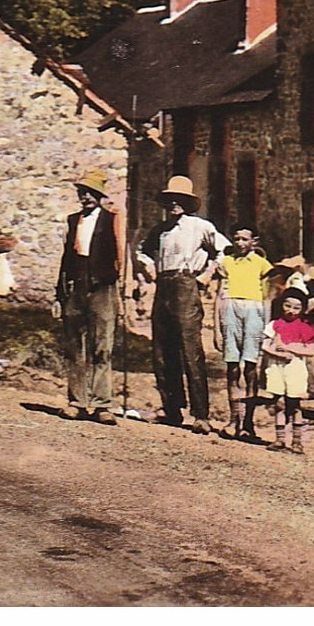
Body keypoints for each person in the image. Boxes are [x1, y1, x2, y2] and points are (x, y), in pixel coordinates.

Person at [133, 175, 228, 434]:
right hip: (164, 286)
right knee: (163, 351)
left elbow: (224, 250)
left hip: (187, 285)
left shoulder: (200, 227)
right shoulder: (160, 229)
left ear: (188, 202)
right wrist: (150, 266)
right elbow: (141, 250)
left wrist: (207, 275)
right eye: (170, 200)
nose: (174, 204)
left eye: (180, 200)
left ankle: (201, 414)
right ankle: (171, 409)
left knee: (190, 350)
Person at [53, 170, 127, 425]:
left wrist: (121, 295)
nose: (84, 197)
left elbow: (120, 254)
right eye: (81, 193)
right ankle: (77, 401)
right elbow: (66, 259)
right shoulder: (74, 220)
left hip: (103, 286)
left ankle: (102, 404)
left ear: (98, 195)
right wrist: (59, 294)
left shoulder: (111, 219)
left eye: (89, 193)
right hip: (77, 285)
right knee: (75, 346)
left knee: (102, 346)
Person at [211, 222, 270, 441]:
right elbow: (218, 296)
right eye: (236, 239)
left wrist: (268, 326)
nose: (240, 243)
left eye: (245, 239)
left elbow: (268, 296)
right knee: (232, 367)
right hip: (230, 309)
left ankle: (249, 423)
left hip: (254, 311)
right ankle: (234, 418)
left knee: (251, 368)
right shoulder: (226, 262)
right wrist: (216, 329)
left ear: (254, 242)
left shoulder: (262, 264)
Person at [262, 288, 314, 454]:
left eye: (296, 308)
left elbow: (310, 351)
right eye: (287, 306)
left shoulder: (304, 327)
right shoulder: (274, 325)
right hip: (276, 367)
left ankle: (297, 441)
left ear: (302, 309)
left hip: (295, 367)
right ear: (281, 305)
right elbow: (265, 346)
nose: (291, 311)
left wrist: (289, 349)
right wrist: (278, 353)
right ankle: (280, 439)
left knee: (294, 404)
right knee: (279, 403)